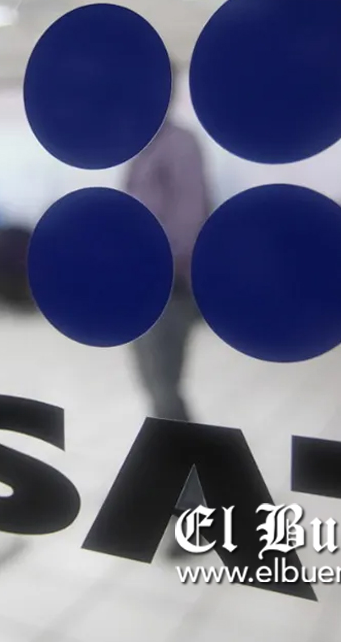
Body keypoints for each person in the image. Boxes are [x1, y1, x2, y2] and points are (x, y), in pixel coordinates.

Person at [123, 103, 213, 525]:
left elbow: (188, 223)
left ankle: (194, 506)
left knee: (165, 394)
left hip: (168, 288)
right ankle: (177, 484)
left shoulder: (178, 144)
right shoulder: (139, 148)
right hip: (141, 288)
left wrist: (154, 267)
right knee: (155, 391)